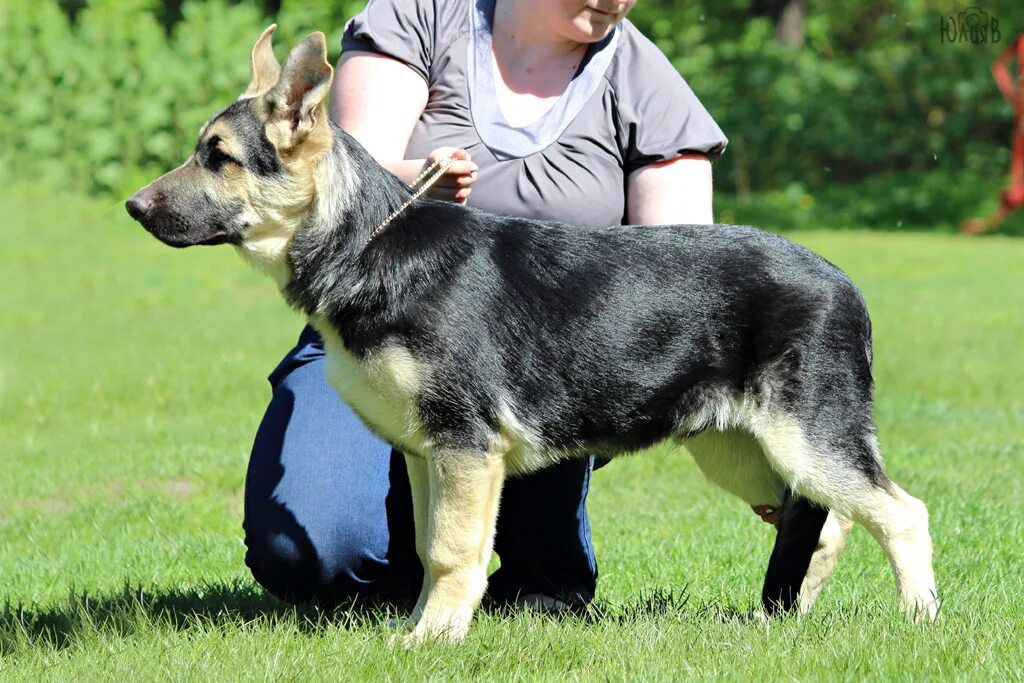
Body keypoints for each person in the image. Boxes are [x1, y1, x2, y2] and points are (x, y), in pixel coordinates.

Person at [242, 0, 728, 611]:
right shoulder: (420, 16)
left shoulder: (647, 83)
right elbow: (334, 179)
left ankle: (518, 569)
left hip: (543, 365)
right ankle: (406, 566)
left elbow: (679, 278)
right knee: (312, 556)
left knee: (539, 599)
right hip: (368, 337)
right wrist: (413, 184)